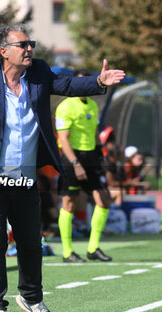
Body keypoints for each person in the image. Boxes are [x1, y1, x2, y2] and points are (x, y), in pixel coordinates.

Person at [0, 23, 125, 312]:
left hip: (24, 176)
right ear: (3, 51)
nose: (30, 48)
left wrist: (98, 82)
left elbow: (68, 86)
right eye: (23, 45)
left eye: (30, 43)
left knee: (31, 243)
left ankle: (32, 298)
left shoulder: (39, 72)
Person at [56, 69, 114, 264]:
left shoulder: (92, 106)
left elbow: (96, 133)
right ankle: (67, 252)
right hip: (72, 157)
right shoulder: (65, 107)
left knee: (103, 199)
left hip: (91, 158)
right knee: (69, 203)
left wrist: (101, 156)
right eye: (78, 83)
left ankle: (93, 248)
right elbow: (63, 139)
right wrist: (75, 163)